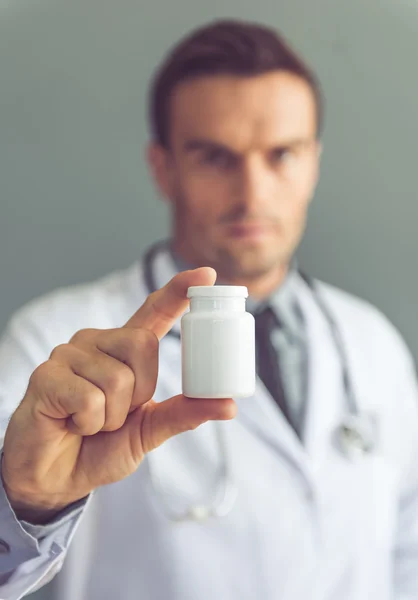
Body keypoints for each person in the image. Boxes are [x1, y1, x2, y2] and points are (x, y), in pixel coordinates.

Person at [0, 18, 417, 600]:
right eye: (216, 158)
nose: (252, 193)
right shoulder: (55, 345)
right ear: (163, 167)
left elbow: (406, 561)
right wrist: (28, 503)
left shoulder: (373, 344)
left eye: (282, 155)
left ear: (314, 163)